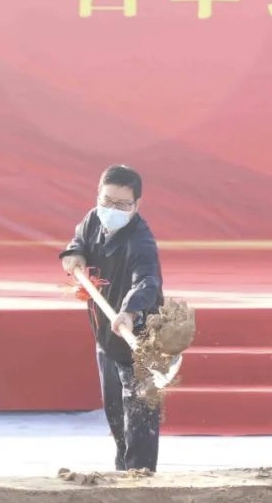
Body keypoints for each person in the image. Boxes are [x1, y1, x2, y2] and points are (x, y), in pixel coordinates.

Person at [59, 164, 164, 472]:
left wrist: (129, 312)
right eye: (107, 201)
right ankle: (122, 473)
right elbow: (79, 241)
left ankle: (141, 478)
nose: (112, 210)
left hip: (138, 336)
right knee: (115, 415)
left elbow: (146, 282)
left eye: (122, 205)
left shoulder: (141, 241)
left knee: (140, 419)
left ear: (137, 204)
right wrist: (74, 254)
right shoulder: (94, 218)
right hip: (105, 334)